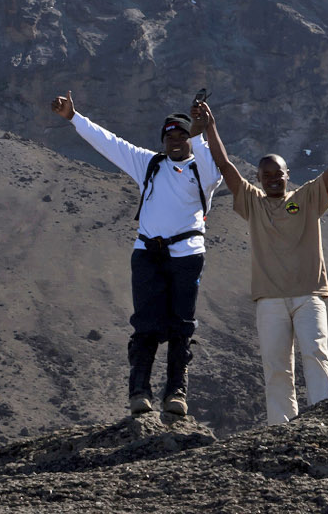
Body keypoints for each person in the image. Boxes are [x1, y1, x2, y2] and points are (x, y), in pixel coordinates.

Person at [49, 90, 216, 418]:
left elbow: (211, 155)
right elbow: (110, 143)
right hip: (147, 254)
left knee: (182, 326)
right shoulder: (149, 164)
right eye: (170, 134)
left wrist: (202, 130)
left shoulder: (204, 171)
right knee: (146, 325)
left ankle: (176, 393)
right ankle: (139, 391)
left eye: (183, 134)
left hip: (187, 255)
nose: (177, 140)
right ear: (162, 140)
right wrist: (73, 117)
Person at [195, 99, 328, 424]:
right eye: (265, 175)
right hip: (269, 300)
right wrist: (210, 126)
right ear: (258, 177)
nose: (271, 179)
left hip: (309, 295)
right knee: (276, 366)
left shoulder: (307, 198)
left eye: (277, 173)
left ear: (286, 174)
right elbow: (225, 166)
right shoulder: (253, 203)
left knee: (316, 354)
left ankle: (327, 421)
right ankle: (282, 426)